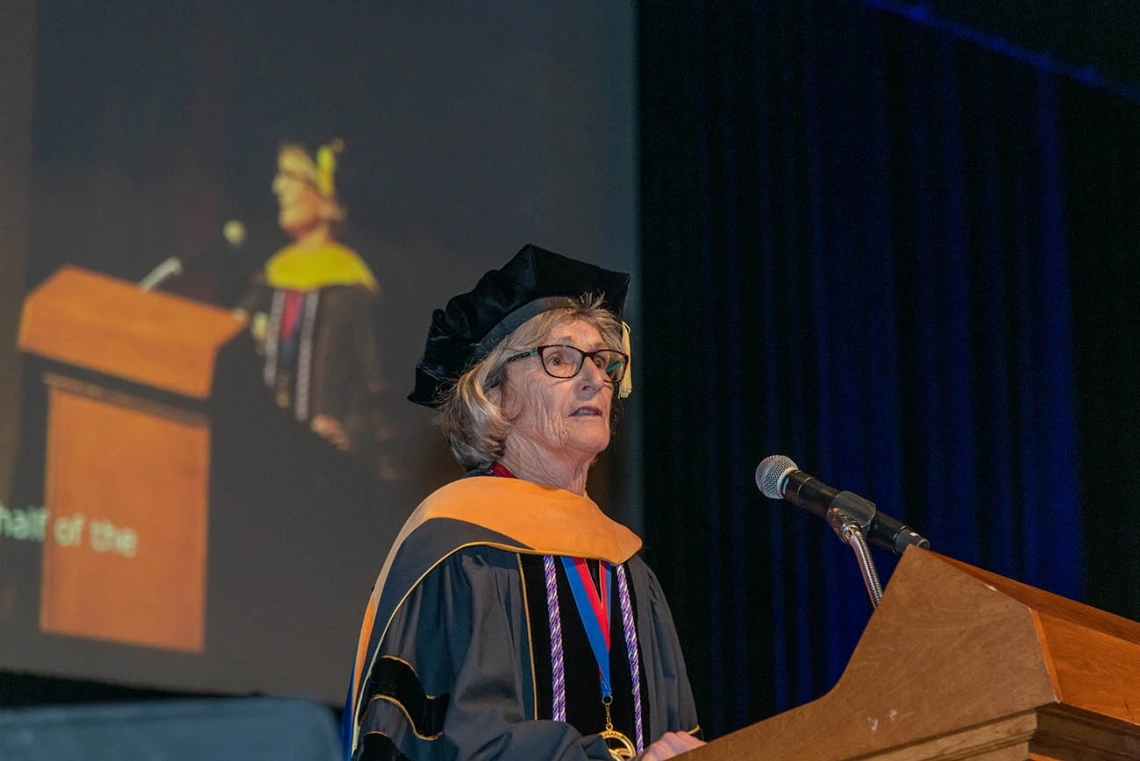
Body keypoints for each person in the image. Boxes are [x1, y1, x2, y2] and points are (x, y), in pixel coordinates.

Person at [344, 245, 705, 761]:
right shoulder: (458, 548)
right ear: (494, 394)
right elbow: (461, 742)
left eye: (604, 361)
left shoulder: (628, 571)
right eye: (560, 358)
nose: (594, 378)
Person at [238, 139, 386, 459]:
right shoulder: (270, 278)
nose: (278, 188)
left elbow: (374, 386)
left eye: (291, 177)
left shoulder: (351, 287)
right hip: (254, 444)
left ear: (326, 196)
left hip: (322, 460)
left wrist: (349, 432)